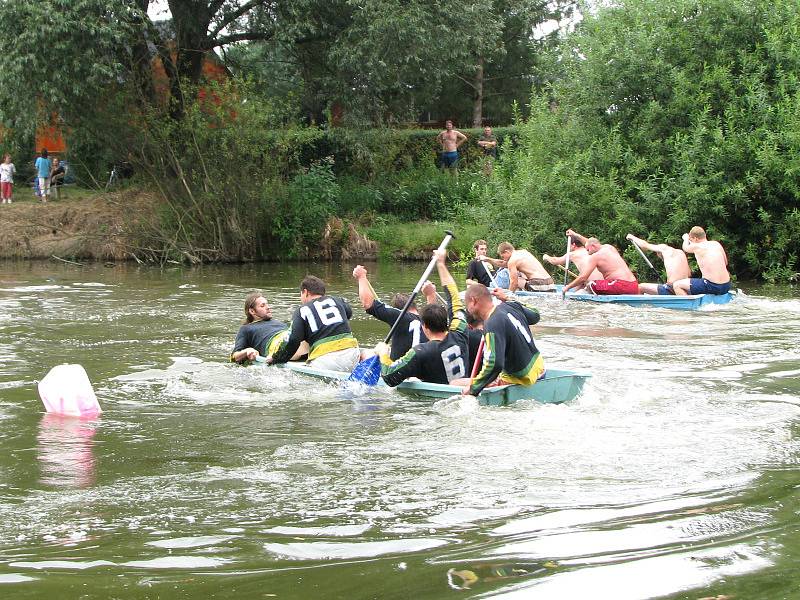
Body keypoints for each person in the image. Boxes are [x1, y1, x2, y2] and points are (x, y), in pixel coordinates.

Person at [376, 250, 469, 386]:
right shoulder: (460, 332)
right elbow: (454, 299)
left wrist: (383, 353)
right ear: (446, 322)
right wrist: (441, 264)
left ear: (424, 326)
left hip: (436, 402)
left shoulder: (419, 352)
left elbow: (389, 376)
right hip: (462, 393)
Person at [461, 284, 544, 397]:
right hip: (540, 370)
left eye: (467, 306)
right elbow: (535, 314)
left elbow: (494, 364)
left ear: (473, 301)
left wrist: (473, 389)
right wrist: (507, 299)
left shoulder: (491, 324)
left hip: (521, 378)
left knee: (455, 383)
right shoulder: (510, 306)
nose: (468, 310)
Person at [268, 275, 361, 371]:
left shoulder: (301, 310)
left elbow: (293, 340)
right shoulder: (338, 301)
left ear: (305, 292)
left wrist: (276, 358)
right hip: (353, 355)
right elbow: (348, 314)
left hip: (326, 362)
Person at [352, 265, 439, 360]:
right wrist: (431, 294)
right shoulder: (430, 320)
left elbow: (368, 304)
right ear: (415, 306)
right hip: (427, 367)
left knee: (366, 353)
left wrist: (361, 277)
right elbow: (433, 309)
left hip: (401, 370)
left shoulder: (399, 316)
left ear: (397, 309)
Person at [230, 291, 308, 363]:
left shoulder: (278, 322)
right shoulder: (246, 329)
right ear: (252, 311)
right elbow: (234, 357)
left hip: (293, 338)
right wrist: (247, 351)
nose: (268, 307)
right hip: (279, 345)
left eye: (267, 304)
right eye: (262, 306)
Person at [563, 230, 638, 295]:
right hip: (634, 286)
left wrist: (567, 287)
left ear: (593, 246)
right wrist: (575, 235)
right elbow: (590, 242)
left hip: (621, 286)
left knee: (591, 284)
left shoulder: (595, 256)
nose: (588, 253)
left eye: (588, 250)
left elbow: (583, 278)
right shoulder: (609, 247)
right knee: (598, 284)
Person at [671, 226, 731, 296]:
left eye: (692, 240)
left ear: (695, 238)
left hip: (713, 286)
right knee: (701, 280)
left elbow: (685, 248)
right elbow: (726, 262)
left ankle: (689, 305)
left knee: (677, 285)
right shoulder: (716, 244)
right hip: (726, 285)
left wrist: (686, 239)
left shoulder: (697, 247)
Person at [625, 233, 690, 295]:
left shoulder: (664, 248)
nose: (661, 259)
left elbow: (645, 245)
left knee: (640, 287)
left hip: (671, 289)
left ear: (658, 253)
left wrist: (632, 237)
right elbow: (689, 273)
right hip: (684, 288)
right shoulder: (681, 253)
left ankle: (642, 306)